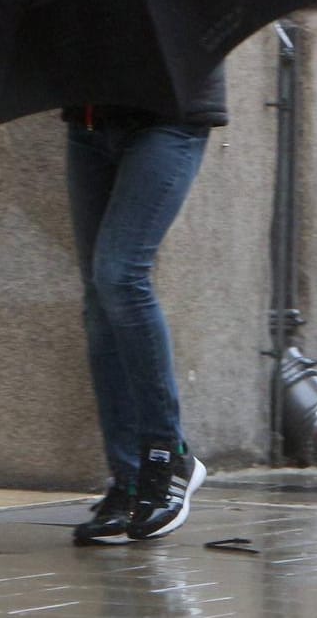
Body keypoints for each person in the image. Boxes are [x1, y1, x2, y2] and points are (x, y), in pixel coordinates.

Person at [65, 67, 224, 545]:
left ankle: (167, 456)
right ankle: (129, 477)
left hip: (168, 119)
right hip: (89, 123)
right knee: (98, 297)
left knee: (121, 276)